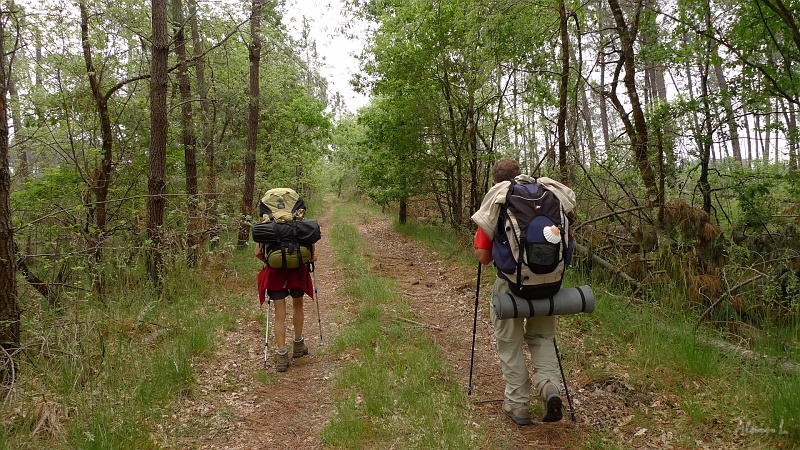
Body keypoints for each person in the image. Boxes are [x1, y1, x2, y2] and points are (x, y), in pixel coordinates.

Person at [473, 158, 564, 425]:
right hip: (548, 284)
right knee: (543, 338)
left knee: (510, 342)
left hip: (510, 285)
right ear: (520, 174)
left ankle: (518, 404)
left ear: (494, 182)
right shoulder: (547, 197)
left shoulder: (497, 201)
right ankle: (549, 387)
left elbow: (483, 257)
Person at [255, 242, 316, 372]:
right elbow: (311, 247)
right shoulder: (298, 221)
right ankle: (298, 344)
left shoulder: (268, 223)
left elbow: (258, 252)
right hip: (298, 270)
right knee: (298, 306)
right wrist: (310, 258)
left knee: (279, 314)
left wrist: (268, 261)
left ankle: (282, 355)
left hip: (275, 272)